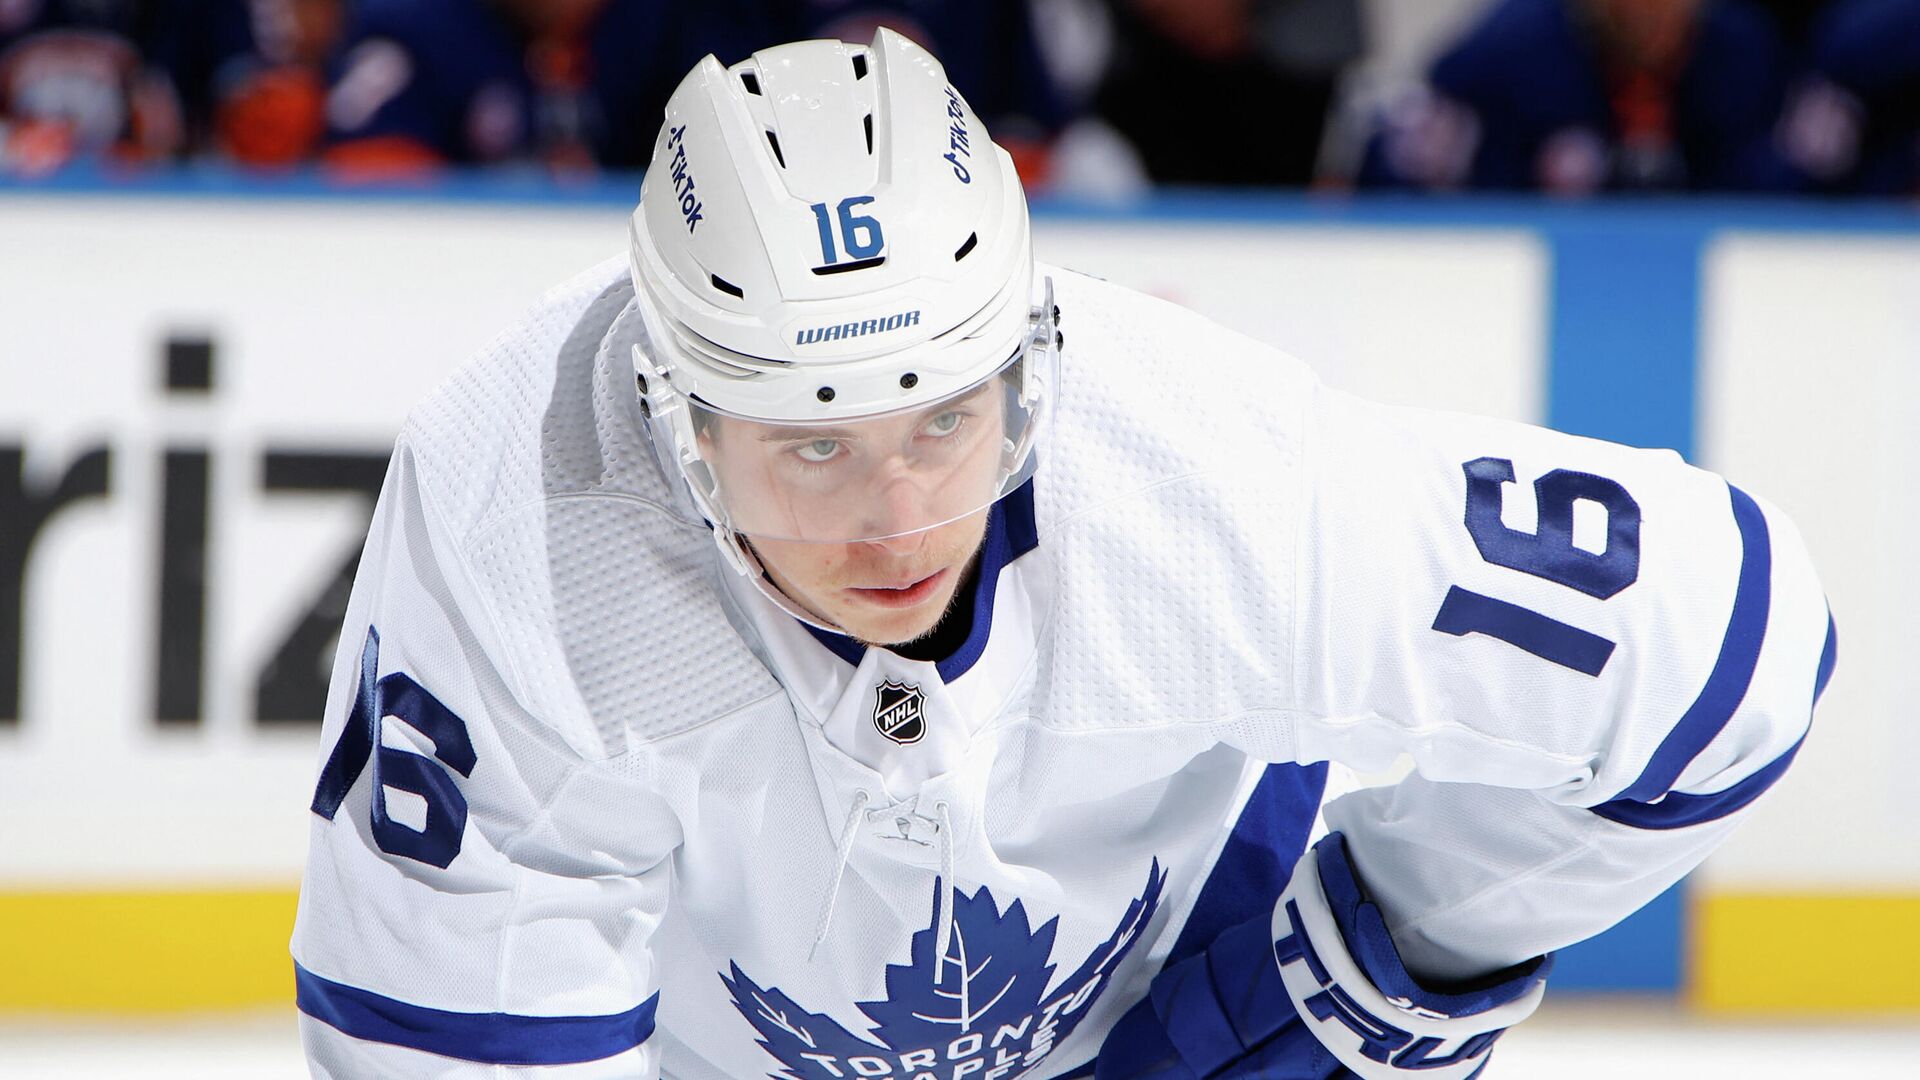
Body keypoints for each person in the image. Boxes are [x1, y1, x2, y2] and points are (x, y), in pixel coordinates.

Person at [290, 28, 1836, 1079]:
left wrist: (1391, 950)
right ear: (681, 424)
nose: (895, 522)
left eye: (943, 425)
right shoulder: (534, 546)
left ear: (1032, 368)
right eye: (812, 446)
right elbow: (451, 1032)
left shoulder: (1199, 474)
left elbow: (1725, 641)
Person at [1360, 0, 1798, 194]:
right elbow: (1394, 174)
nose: (1656, 13)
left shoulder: (1742, 50)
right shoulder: (1507, 51)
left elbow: (1780, 182)